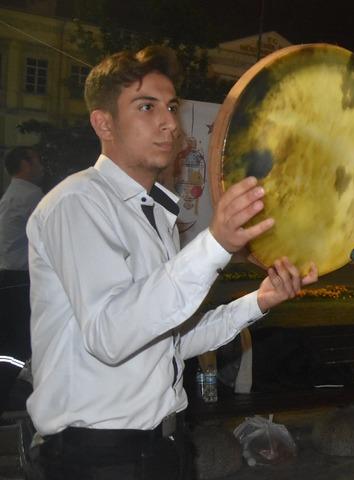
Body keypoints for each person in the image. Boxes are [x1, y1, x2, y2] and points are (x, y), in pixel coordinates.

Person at [26, 46, 317, 480]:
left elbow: (172, 342)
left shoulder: (154, 215)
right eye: (146, 107)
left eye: (172, 106)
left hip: (162, 446)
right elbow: (111, 335)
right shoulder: (77, 204)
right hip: (98, 456)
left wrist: (259, 300)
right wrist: (214, 243)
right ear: (103, 122)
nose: (168, 122)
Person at [0, 146, 44, 416]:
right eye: (37, 159)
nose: (41, 166)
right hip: (20, 281)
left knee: (7, 345)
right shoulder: (32, 196)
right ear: (25, 164)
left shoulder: (11, 194)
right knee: (19, 345)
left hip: (7, 277)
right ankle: (6, 397)